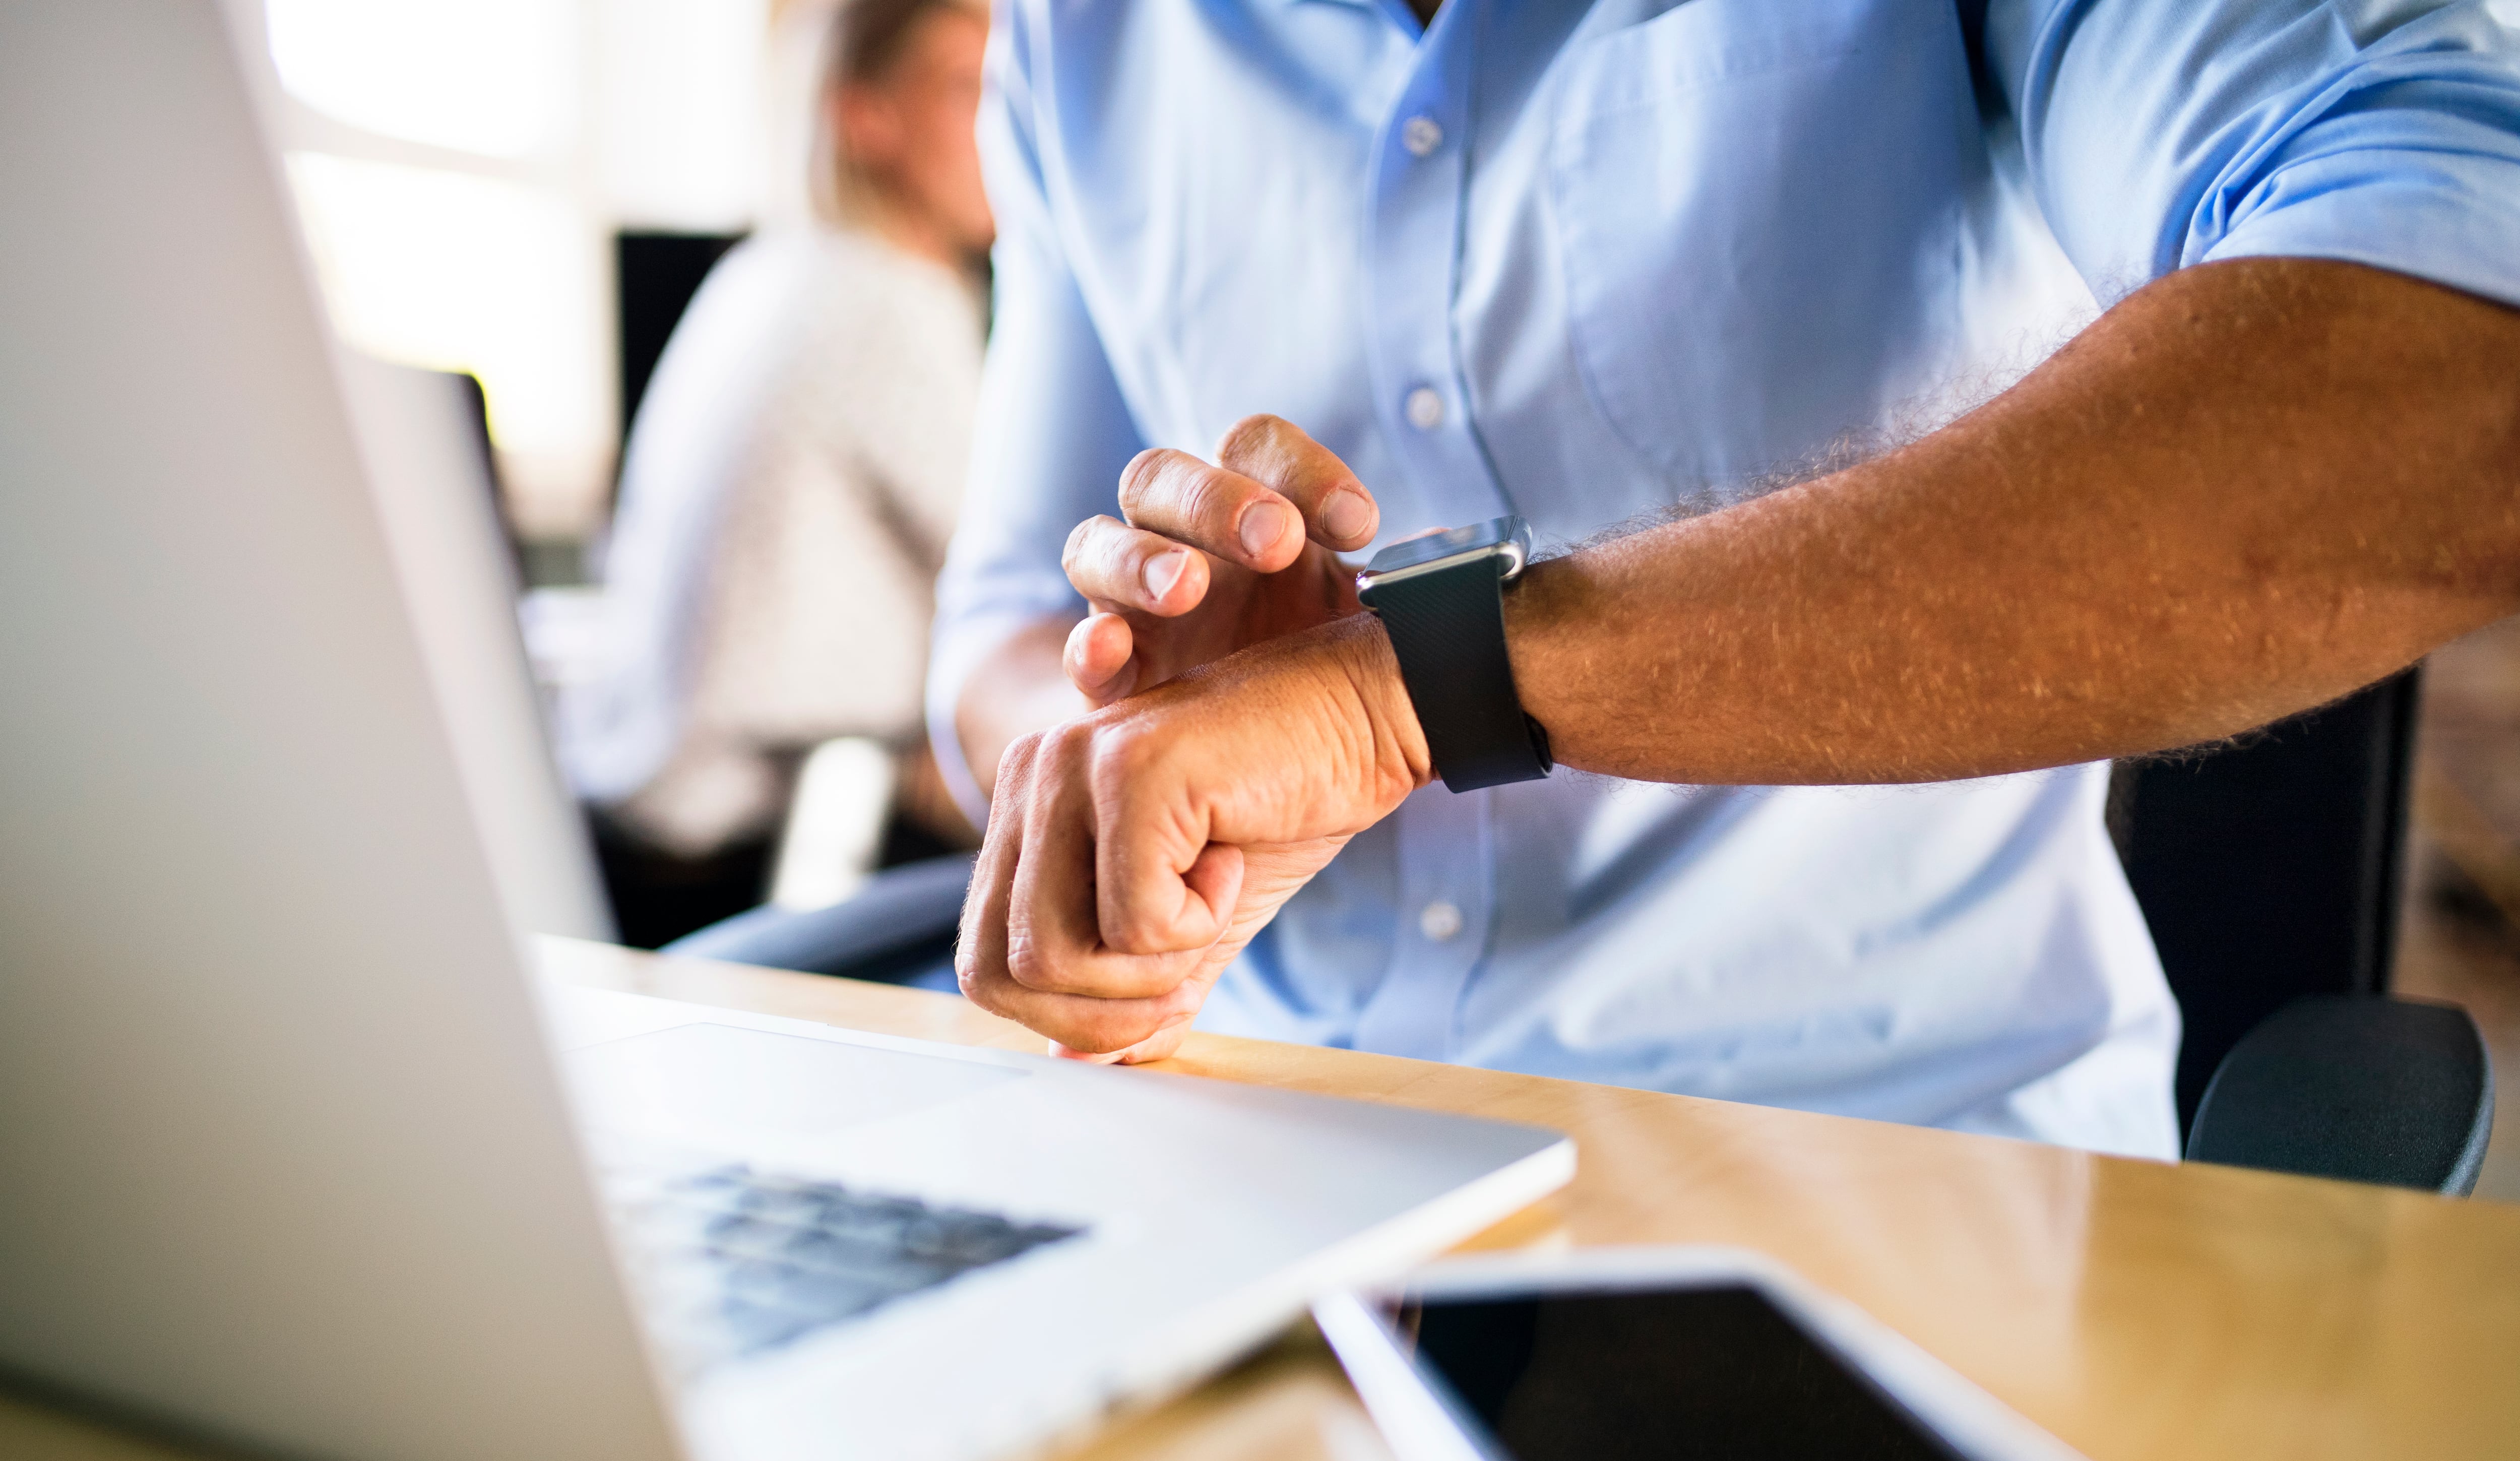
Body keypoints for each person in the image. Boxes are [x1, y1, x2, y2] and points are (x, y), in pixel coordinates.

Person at [931, 0, 2520, 1156]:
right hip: (1251, 1141)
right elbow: (993, 644)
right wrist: (1130, 734)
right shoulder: (1081, 36)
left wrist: (1415, 689)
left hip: (1874, 1164)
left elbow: (2467, 374)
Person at [558, 0, 992, 874]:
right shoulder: (889, 299)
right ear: (864, 113)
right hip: (763, 843)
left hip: (639, 811)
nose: (1009, 129)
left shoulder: (769, 271)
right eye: (968, 88)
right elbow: (1030, 570)